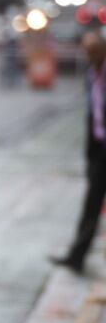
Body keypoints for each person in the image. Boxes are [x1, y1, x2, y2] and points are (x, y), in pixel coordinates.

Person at [51, 32, 106, 275]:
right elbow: (93, 113)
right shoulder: (92, 74)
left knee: (93, 203)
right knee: (91, 204)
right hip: (99, 148)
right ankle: (77, 256)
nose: (88, 55)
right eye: (86, 50)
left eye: (93, 50)